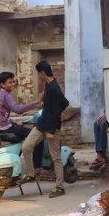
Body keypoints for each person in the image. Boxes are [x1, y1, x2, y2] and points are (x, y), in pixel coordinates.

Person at [17, 61, 69, 198]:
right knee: (26, 147)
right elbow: (65, 103)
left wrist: (51, 131)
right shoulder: (48, 86)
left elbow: (57, 112)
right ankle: (30, 174)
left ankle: (60, 187)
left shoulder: (54, 89)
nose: (38, 76)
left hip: (51, 127)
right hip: (42, 124)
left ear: (43, 73)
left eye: (38, 74)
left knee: (55, 157)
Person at [0, 71, 43, 170]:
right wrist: (37, 102)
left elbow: (2, 116)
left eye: (13, 82)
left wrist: (13, 123)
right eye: (10, 82)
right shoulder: (6, 95)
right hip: (5, 129)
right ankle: (37, 167)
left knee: (22, 132)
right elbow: (18, 110)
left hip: (0, 128)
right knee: (38, 137)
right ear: (2, 84)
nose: (13, 84)